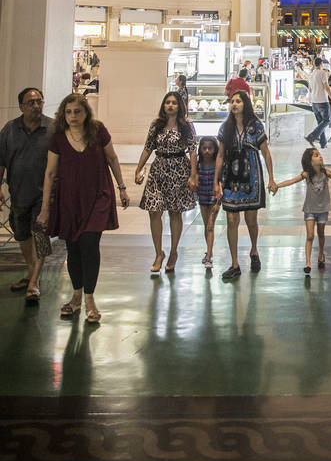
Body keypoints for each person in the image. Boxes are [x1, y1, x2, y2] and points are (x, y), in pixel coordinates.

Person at [37, 93, 129, 323]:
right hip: (69, 200)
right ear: (63, 114)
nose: (73, 116)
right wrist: (45, 208)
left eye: (77, 111)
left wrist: (122, 186)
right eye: (68, 112)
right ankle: (76, 294)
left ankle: (89, 298)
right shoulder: (58, 137)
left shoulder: (98, 131)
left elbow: (112, 158)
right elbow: (50, 173)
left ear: (86, 112)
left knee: (89, 243)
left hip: (98, 196)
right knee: (73, 248)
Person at [215, 90, 277, 280]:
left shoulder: (256, 126)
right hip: (230, 178)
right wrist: (217, 181)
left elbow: (266, 152)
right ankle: (234, 263)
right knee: (232, 221)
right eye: (232, 101)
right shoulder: (225, 128)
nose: (234, 104)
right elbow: (220, 155)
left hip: (252, 177)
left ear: (245, 104)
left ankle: (254, 250)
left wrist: (271, 178)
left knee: (251, 219)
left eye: (238, 101)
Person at [0, 88, 54, 303]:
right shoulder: (9, 130)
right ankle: (32, 273)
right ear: (21, 106)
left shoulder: (52, 129)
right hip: (19, 192)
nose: (36, 106)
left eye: (39, 101)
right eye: (30, 102)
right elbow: (1, 161)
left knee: (40, 233)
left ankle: (33, 283)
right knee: (21, 233)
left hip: (45, 195)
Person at [135, 92, 197, 274]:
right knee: (154, 210)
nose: (170, 105)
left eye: (174, 103)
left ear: (179, 106)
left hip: (179, 169)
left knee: (175, 212)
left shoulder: (187, 126)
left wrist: (193, 175)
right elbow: (148, 147)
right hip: (158, 169)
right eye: (167, 103)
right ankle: (158, 253)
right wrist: (138, 168)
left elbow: (193, 150)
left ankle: (174, 252)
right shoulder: (156, 125)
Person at [272, 146, 331, 275]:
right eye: (316, 155)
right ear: (310, 162)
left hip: (323, 209)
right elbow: (291, 181)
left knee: (321, 233)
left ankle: (321, 254)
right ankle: (307, 262)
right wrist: (277, 185)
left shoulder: (326, 173)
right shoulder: (306, 175)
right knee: (310, 235)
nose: (320, 156)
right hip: (310, 209)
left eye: (319, 154)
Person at [196, 136, 220, 270]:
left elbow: (220, 183)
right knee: (207, 226)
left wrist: (218, 202)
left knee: (210, 226)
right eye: (204, 148)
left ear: (214, 149)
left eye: (210, 148)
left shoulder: (217, 165)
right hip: (202, 198)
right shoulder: (198, 165)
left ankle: (209, 256)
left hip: (213, 199)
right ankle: (209, 250)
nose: (206, 151)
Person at [305, 57, 331, 149]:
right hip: (322, 100)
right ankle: (312, 136)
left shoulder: (311, 74)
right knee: (327, 120)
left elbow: (310, 89)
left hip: (314, 102)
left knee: (320, 123)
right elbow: (326, 87)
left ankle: (323, 143)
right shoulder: (322, 73)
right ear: (321, 64)